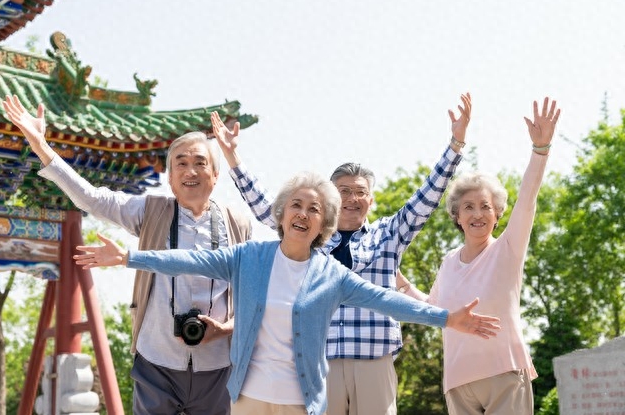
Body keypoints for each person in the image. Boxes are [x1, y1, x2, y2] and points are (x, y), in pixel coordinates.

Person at [73, 171, 501, 415]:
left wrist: (448, 318)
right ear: (281, 215)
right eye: (297, 205)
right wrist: (128, 257)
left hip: (300, 402)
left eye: (314, 209)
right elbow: (187, 260)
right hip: (248, 398)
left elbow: (386, 299)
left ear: (323, 225)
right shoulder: (250, 257)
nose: (303, 213)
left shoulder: (330, 274)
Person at [210, 93, 472, 415]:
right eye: (343, 191)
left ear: (371, 201)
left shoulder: (388, 234)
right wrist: (233, 159)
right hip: (322, 360)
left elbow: (426, 198)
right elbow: (268, 206)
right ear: (331, 199)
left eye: (360, 192)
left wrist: (455, 146)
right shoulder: (311, 238)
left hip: (374, 359)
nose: (352, 198)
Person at [2, 95, 252, 415]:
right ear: (170, 179)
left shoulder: (238, 223)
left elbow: (251, 298)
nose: (191, 170)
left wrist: (227, 328)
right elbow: (92, 199)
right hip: (156, 363)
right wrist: (42, 146)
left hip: (219, 365)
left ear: (216, 176)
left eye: (200, 162)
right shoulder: (151, 211)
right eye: (181, 163)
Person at [398, 97, 560, 414]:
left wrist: (540, 151)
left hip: (504, 372)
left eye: (485, 206)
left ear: (497, 214)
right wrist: (402, 283)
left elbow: (527, 199)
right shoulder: (448, 263)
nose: (477, 214)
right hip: (459, 382)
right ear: (456, 216)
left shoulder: (508, 248)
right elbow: (433, 309)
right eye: (468, 207)